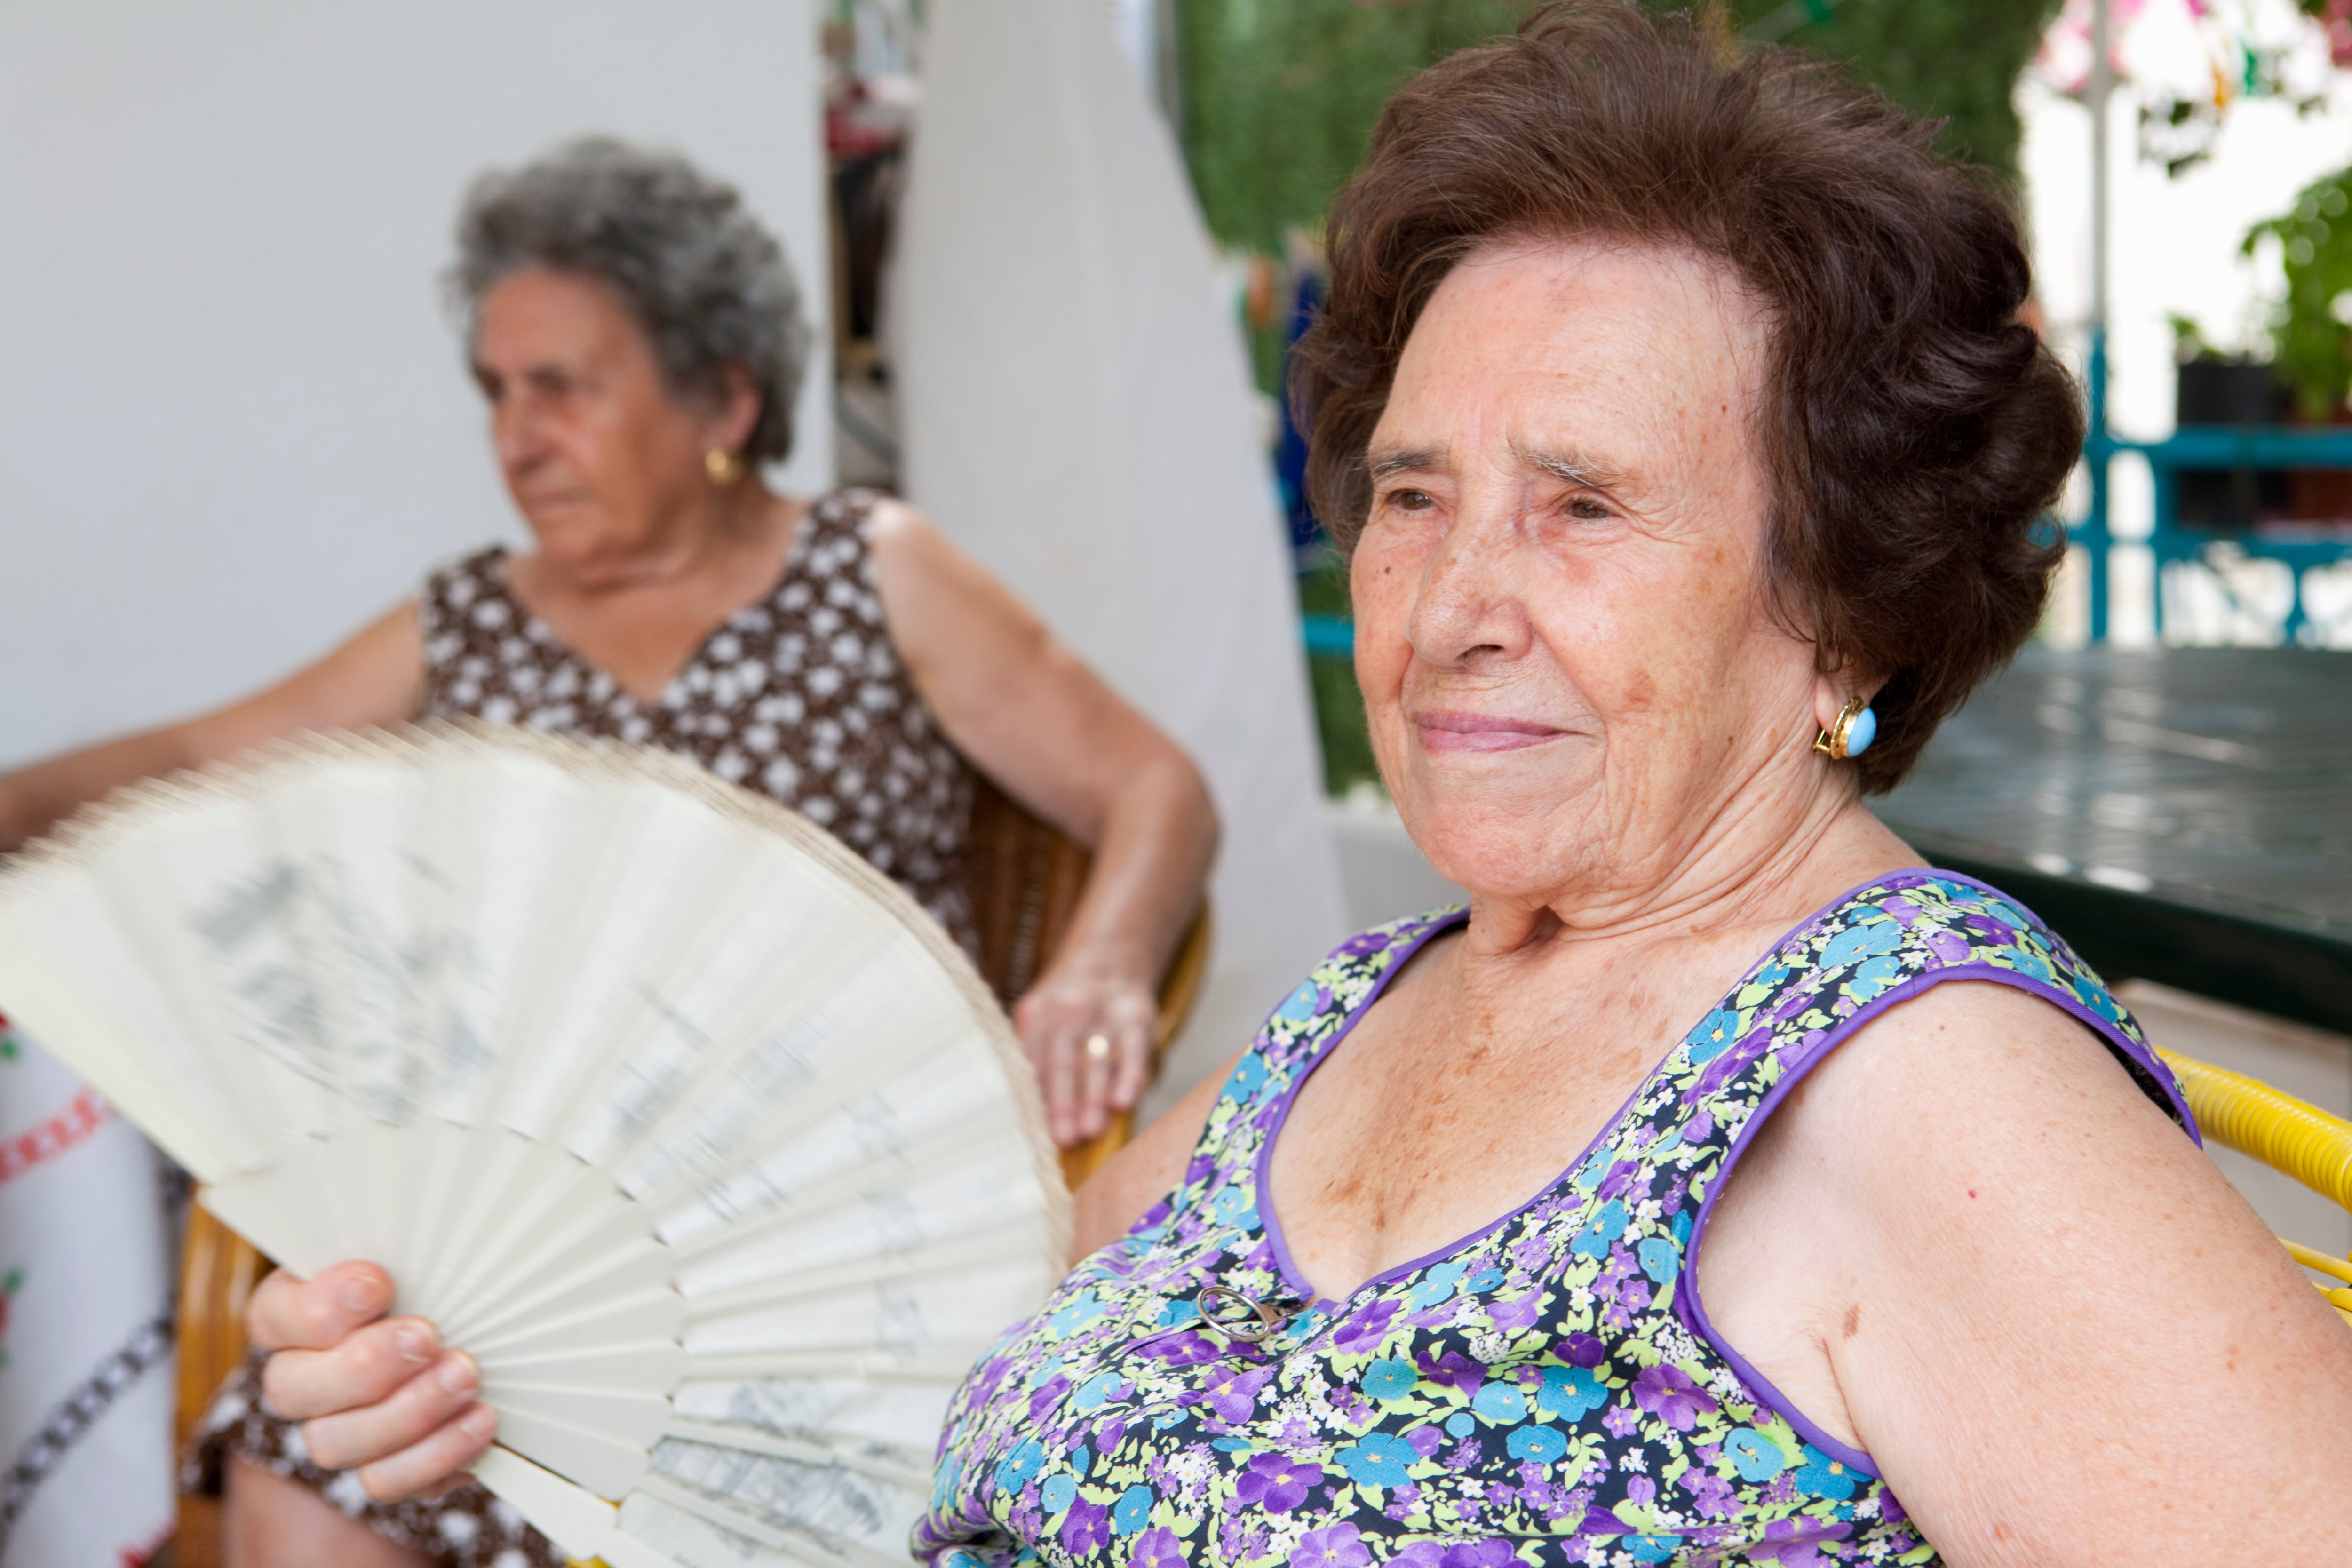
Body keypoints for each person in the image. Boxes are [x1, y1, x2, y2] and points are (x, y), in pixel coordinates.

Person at [199, 8, 2352, 1565]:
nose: (1443, 606)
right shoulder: (1371, 1000)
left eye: (1582, 505)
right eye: (1410, 497)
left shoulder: (1919, 1084)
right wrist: (472, 1368)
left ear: (1848, 610)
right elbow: (884, 1362)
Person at [0, 139, 1214, 1567]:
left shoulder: (868, 570)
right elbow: (206, 768)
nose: (517, 435)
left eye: (563, 386)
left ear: (726, 398)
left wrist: (1104, 966)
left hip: (825, 1257)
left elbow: (1153, 784)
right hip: (520, 1277)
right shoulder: (466, 620)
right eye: (499, 392)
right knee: (304, 1450)